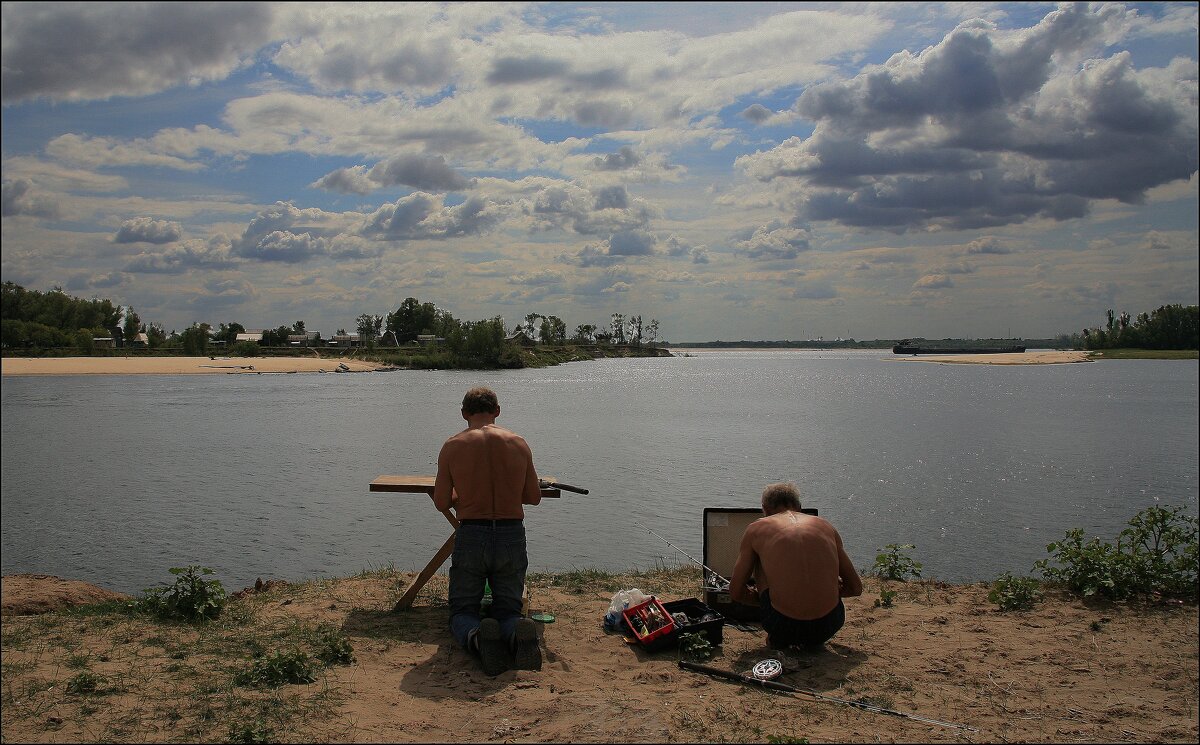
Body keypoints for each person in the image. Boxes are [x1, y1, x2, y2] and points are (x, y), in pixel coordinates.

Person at [433, 386, 544, 675]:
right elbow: (533, 496)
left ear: (463, 413)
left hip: (472, 532)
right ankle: (514, 634)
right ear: (497, 411)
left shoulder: (452, 446)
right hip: (510, 533)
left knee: (462, 611)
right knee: (508, 609)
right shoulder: (519, 444)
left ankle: (478, 637)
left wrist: (465, 496)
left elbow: (442, 502)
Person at [730, 482, 863, 651]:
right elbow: (856, 588)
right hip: (829, 624)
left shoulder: (756, 529)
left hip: (782, 626)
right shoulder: (825, 526)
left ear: (765, 509)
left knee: (761, 562)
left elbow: (735, 592)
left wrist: (764, 599)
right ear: (799, 507)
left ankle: (782, 633)